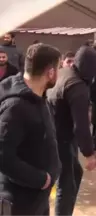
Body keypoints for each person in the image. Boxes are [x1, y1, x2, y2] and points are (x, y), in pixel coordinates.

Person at [0, 43, 62, 216]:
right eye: (58, 68)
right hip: (19, 203)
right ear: (50, 72)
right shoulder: (16, 106)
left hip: (36, 199)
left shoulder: (39, 97)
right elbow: (3, 155)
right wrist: (41, 180)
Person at [47, 45, 96, 216]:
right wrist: (89, 154)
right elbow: (81, 125)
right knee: (66, 184)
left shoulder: (64, 72)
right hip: (61, 139)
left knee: (75, 172)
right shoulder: (78, 87)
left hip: (50, 132)